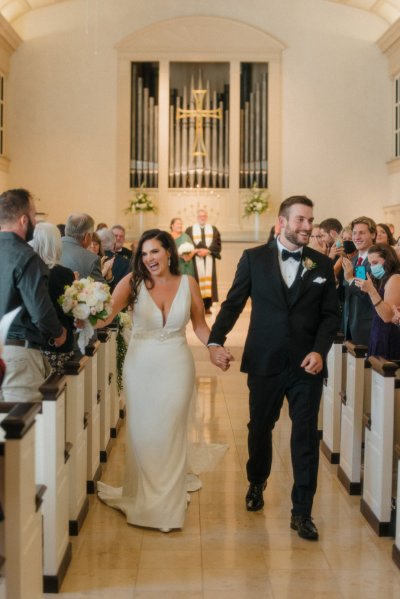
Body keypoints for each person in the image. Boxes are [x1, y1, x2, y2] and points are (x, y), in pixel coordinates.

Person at [208, 195, 339, 541]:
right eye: (300, 220)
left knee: (305, 437)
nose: (308, 227)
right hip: (264, 361)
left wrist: (320, 351)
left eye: (310, 220)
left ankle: (302, 512)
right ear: (282, 222)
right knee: (259, 428)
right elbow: (233, 303)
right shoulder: (254, 259)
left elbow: (330, 317)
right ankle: (256, 481)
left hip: (305, 366)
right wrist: (215, 341)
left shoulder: (321, 266)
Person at [95, 229, 229, 532]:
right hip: (140, 366)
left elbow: (200, 325)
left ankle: (166, 503)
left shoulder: (188, 284)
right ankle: (144, 495)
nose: (149, 259)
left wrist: (214, 348)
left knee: (170, 430)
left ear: (169, 251)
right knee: (144, 434)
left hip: (176, 364)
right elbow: (106, 315)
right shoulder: (133, 282)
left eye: (154, 251)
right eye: (143, 254)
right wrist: (82, 313)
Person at [0, 188, 66, 401]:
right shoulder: (27, 257)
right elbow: (40, 310)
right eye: (34, 215)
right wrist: (58, 333)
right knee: (23, 427)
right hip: (16, 353)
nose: (35, 222)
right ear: (23, 220)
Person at [30, 222, 76, 373]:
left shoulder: (28, 272)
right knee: (62, 393)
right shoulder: (64, 274)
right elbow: (71, 313)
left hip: (33, 343)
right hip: (59, 342)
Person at [354, 244, 400, 360]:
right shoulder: (383, 278)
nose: (372, 267)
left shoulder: (395, 278)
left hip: (388, 336)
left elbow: (388, 316)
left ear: (388, 260)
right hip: (378, 332)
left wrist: (371, 291)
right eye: (370, 263)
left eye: (375, 263)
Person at [342, 216, 377, 345]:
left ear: (373, 234)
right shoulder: (354, 260)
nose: (356, 237)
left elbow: (365, 293)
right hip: (349, 325)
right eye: (355, 233)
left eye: (362, 233)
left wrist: (351, 278)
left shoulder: (377, 260)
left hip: (368, 327)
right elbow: (349, 292)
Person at [186, 208, 221, 314]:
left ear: (207, 217)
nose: (202, 218)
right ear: (197, 217)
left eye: (204, 216)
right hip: (196, 260)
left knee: (209, 283)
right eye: (200, 216)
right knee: (196, 282)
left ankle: (207, 307)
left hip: (209, 258)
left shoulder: (213, 229)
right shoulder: (190, 230)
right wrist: (197, 251)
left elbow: (217, 243)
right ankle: (197, 306)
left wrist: (208, 251)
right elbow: (187, 244)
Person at [60, 213, 106, 282]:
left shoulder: (50, 248)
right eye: (91, 235)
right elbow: (101, 290)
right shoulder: (91, 259)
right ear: (86, 237)